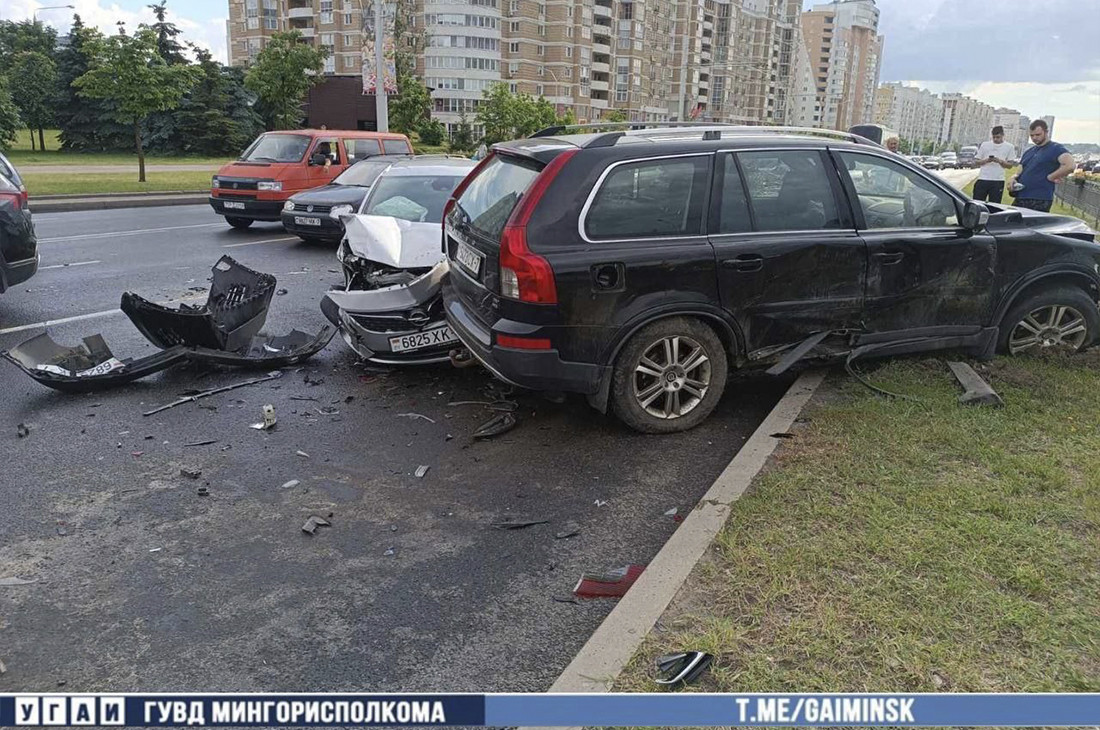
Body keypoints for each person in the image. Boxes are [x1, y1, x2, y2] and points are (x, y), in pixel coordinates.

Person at [1010, 119, 1075, 212]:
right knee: (1012, 223)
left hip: (1040, 198)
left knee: (1034, 225)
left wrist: (1051, 177)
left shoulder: (1056, 148)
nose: (1034, 138)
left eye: (1038, 135)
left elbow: (1070, 165)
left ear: (1046, 132)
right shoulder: (1029, 151)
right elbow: (1019, 170)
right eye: (1032, 135)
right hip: (1021, 195)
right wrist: (1013, 178)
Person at [973, 125, 1016, 204]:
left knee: (995, 205)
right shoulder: (985, 145)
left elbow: (1010, 165)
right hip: (983, 178)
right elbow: (976, 161)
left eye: (998, 137)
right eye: (994, 137)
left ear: (1003, 135)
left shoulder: (1009, 147)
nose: (996, 139)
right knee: (977, 203)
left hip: (998, 180)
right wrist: (987, 160)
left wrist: (1000, 161)